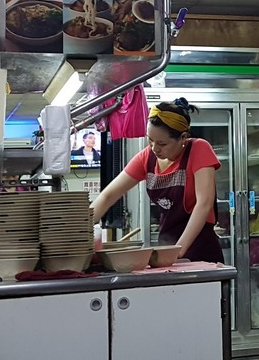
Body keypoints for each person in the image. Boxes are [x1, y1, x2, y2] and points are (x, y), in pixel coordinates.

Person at [91, 97, 222, 262]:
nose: (154, 148)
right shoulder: (147, 157)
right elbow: (107, 196)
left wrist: (178, 250)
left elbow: (204, 204)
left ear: (182, 138)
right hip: (167, 246)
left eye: (162, 144)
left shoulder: (198, 149)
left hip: (200, 249)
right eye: (150, 140)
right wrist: (81, 228)